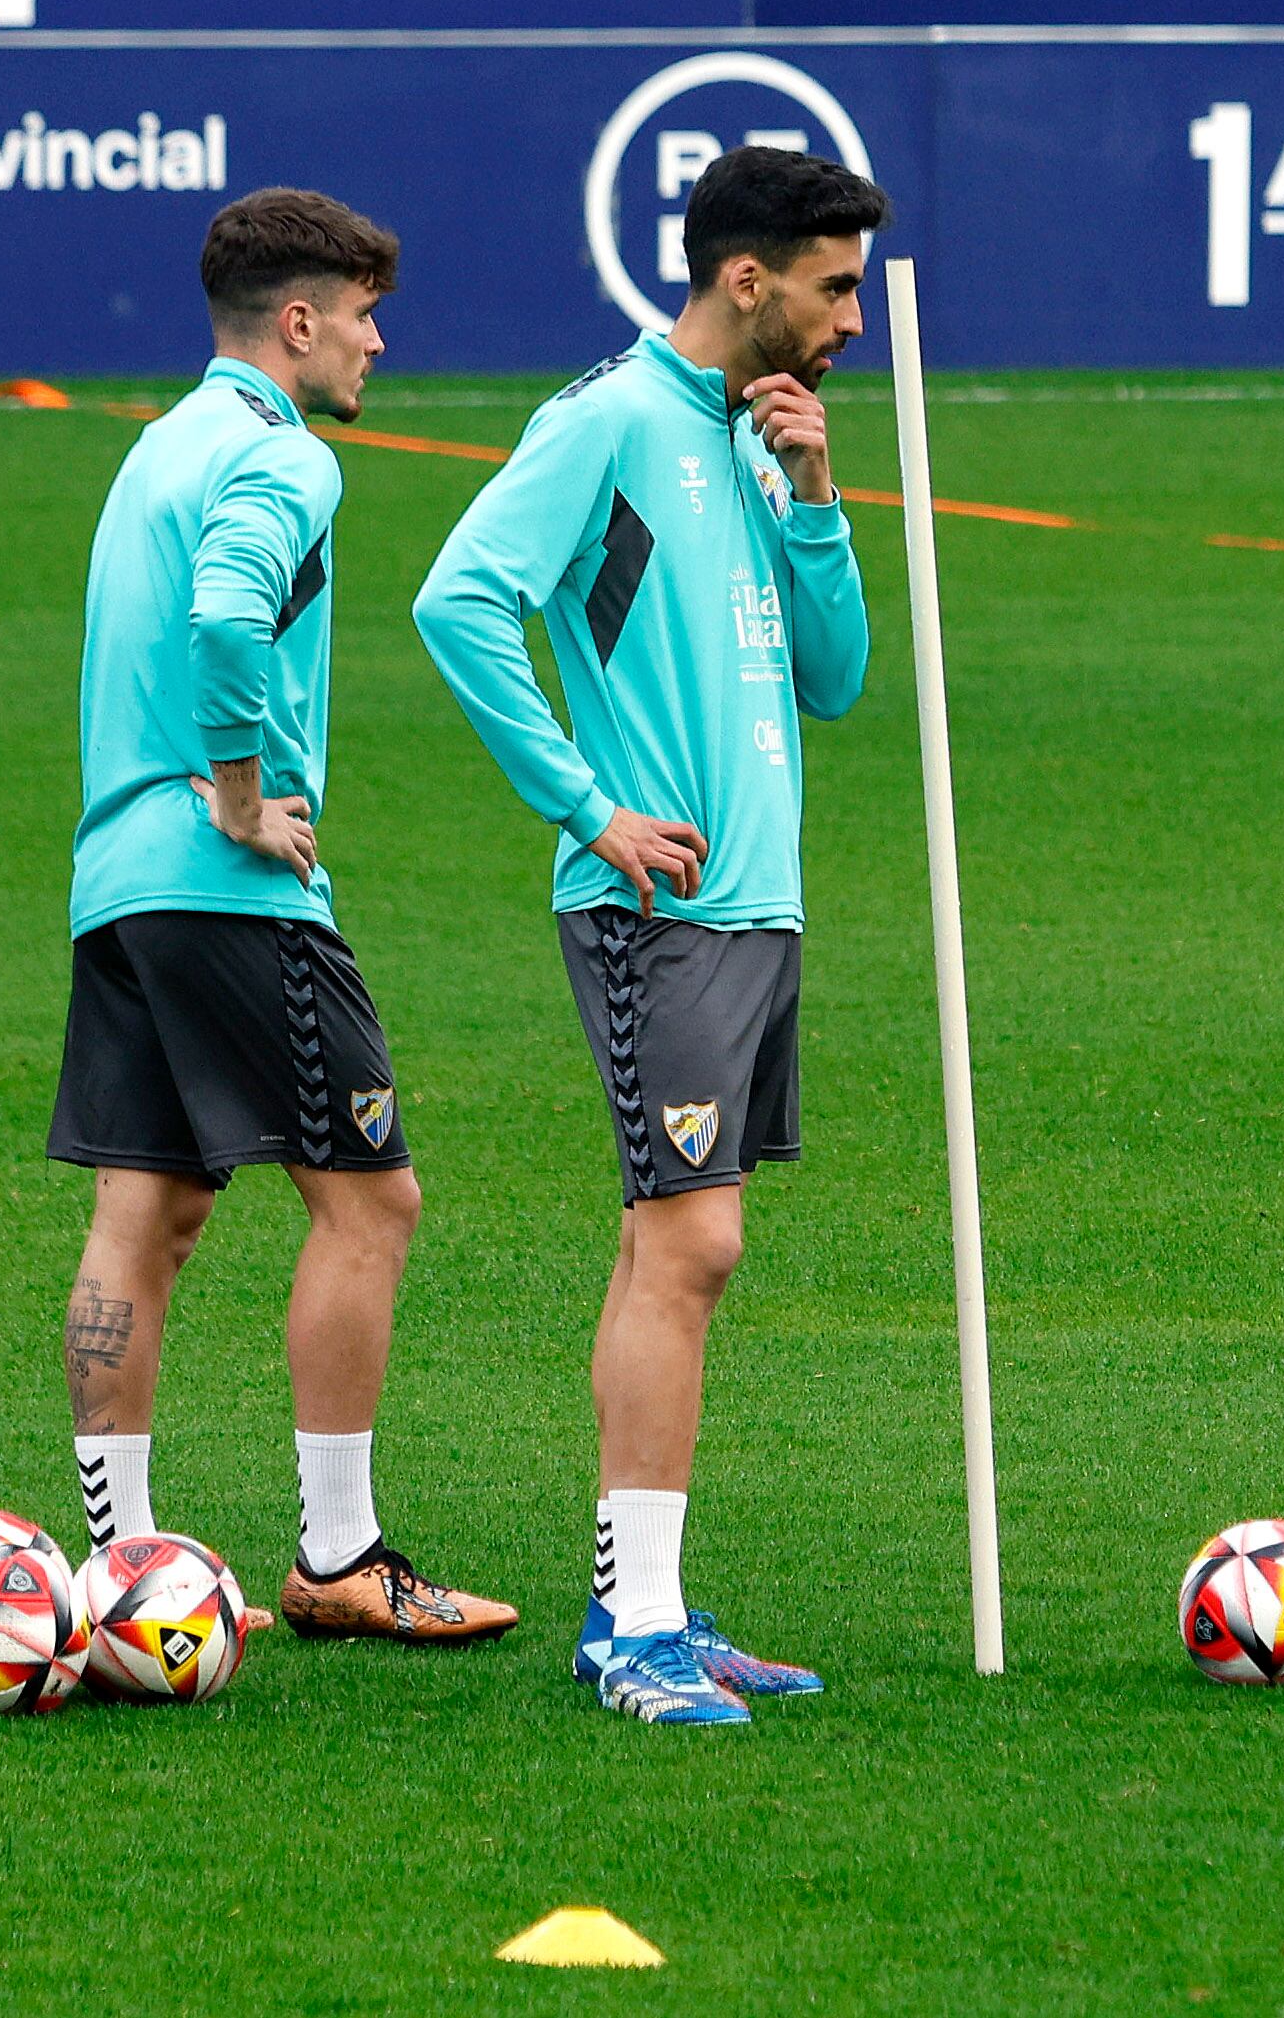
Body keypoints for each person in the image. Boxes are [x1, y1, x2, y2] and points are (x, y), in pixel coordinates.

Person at [415, 145, 882, 1726]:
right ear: (744, 278)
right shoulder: (608, 420)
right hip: (656, 902)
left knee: (679, 1248)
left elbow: (834, 677)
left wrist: (817, 497)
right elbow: (461, 599)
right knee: (692, 1241)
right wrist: (585, 805)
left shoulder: (761, 443)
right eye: (833, 289)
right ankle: (631, 1633)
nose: (850, 322)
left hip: (759, 903)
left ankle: (652, 1603)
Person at [48, 186, 514, 1644]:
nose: (380, 343)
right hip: (228, 884)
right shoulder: (279, 455)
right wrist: (245, 800)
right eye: (365, 316)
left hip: (116, 882)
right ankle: (341, 1555)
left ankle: (123, 1568)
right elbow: (226, 616)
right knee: (371, 1201)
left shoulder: (156, 450)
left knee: (149, 1205)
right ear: (297, 323)